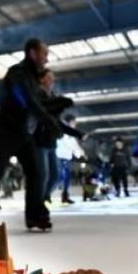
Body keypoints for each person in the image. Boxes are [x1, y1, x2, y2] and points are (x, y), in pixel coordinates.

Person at [0, 38, 61, 231]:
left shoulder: (35, 79)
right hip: (3, 133)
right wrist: (47, 120)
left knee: (36, 173)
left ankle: (34, 216)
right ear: (33, 53)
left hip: (23, 135)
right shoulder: (16, 74)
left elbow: (41, 104)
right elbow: (25, 101)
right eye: (44, 54)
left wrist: (57, 113)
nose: (46, 59)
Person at [35, 69, 79, 204]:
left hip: (51, 141)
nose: (52, 81)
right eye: (49, 78)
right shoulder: (36, 94)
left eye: (52, 78)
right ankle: (37, 202)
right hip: (40, 141)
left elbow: (57, 122)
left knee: (55, 175)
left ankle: (44, 196)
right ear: (42, 79)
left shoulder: (52, 95)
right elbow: (41, 111)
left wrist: (77, 134)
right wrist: (59, 103)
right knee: (43, 175)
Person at [56, 115, 85, 204]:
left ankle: (65, 196)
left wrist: (80, 154)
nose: (75, 124)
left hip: (66, 158)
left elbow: (74, 145)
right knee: (58, 178)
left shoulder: (70, 134)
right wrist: (80, 153)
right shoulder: (64, 132)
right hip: (60, 157)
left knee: (67, 178)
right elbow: (71, 144)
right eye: (73, 122)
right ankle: (44, 196)